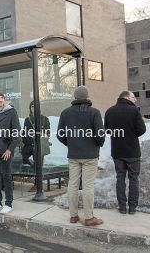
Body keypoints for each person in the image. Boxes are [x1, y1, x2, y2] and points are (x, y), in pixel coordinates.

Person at [57, 86, 105, 226]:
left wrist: (71, 143)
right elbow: (100, 135)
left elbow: (60, 135)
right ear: (87, 96)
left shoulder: (66, 113)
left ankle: (73, 216)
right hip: (90, 155)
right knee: (88, 186)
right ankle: (89, 217)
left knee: (73, 184)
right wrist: (96, 144)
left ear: (75, 97)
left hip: (74, 154)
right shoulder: (94, 113)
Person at [104, 91, 146, 215]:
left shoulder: (110, 111)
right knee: (134, 178)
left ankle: (122, 207)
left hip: (117, 151)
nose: (135, 100)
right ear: (126, 97)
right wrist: (132, 134)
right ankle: (132, 208)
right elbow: (142, 129)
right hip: (132, 151)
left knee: (120, 178)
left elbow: (107, 130)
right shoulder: (134, 111)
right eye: (133, 97)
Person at [22, 100, 51, 191]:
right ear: (30, 108)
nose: (33, 108)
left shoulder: (44, 119)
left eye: (35, 106)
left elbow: (47, 132)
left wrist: (42, 136)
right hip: (29, 144)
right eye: (32, 107)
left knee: (38, 160)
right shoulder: (28, 119)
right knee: (24, 157)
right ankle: (34, 167)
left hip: (40, 144)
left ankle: (37, 184)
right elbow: (25, 132)